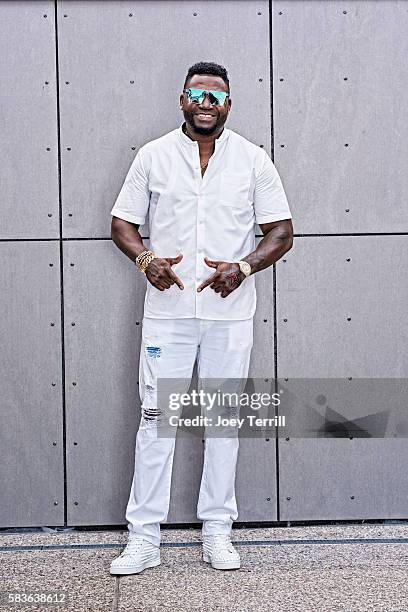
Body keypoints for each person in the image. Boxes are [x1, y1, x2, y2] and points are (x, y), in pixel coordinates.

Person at [109, 61, 293, 575]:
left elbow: (281, 230)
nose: (205, 105)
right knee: (156, 421)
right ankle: (143, 538)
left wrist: (243, 266)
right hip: (167, 314)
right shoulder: (154, 155)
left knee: (223, 423)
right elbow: (122, 222)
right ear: (182, 99)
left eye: (215, 98)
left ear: (229, 105)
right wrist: (146, 261)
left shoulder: (254, 160)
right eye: (197, 95)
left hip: (229, 313)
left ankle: (217, 532)